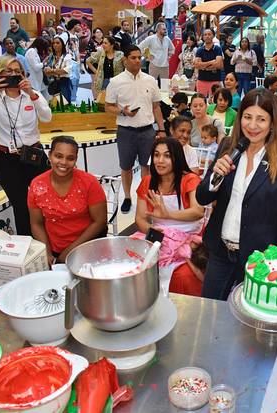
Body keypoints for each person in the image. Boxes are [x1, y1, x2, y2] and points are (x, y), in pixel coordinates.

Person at [196, 89, 277, 300]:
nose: (252, 126)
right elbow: (202, 198)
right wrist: (216, 175)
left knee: (249, 322)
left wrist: (275, 264)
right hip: (220, 251)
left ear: (272, 123)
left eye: (261, 119)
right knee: (211, 310)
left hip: (259, 259)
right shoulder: (228, 147)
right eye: (247, 117)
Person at [0, 56, 51, 236]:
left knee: (45, 198)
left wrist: (32, 93)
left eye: (17, 72)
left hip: (33, 154)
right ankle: (28, 243)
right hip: (5, 158)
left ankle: (50, 238)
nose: (13, 75)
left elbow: (47, 117)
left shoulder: (31, 94)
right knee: (21, 204)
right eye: (8, 72)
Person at [135, 137, 205, 295]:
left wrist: (168, 214)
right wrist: (158, 235)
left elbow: (197, 211)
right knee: (134, 263)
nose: (160, 161)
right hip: (157, 234)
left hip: (190, 235)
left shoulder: (190, 179)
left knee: (183, 276)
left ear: (177, 158)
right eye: (156, 155)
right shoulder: (147, 182)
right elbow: (140, 219)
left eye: (167, 156)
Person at [105, 45, 166, 213]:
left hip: (147, 130)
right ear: (125, 59)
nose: (138, 60)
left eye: (139, 57)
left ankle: (146, 196)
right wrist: (122, 112)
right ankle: (127, 196)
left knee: (147, 166)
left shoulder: (150, 80)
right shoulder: (115, 82)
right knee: (126, 167)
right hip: (126, 131)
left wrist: (161, 130)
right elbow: (108, 107)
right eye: (133, 57)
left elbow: (156, 107)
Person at [28, 136, 107, 264]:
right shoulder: (37, 185)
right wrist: (47, 253)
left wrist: (68, 253)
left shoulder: (89, 183)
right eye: (58, 156)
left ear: (76, 159)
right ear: (49, 155)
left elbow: (100, 222)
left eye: (70, 158)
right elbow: (36, 223)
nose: (64, 162)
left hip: (88, 248)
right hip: (54, 251)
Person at [194, 29, 223, 97]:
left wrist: (203, 66)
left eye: (209, 34)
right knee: (201, 100)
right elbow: (197, 65)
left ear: (213, 36)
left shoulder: (217, 49)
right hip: (202, 80)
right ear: (203, 37)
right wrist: (212, 62)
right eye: (205, 35)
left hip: (215, 80)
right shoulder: (200, 50)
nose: (207, 36)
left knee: (215, 101)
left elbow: (219, 65)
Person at [44, 36, 73, 102]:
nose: (55, 45)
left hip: (64, 82)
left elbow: (66, 71)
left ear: (62, 45)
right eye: (53, 43)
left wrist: (52, 71)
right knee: (55, 104)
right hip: (54, 82)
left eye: (57, 43)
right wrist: (50, 71)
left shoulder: (67, 56)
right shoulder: (51, 57)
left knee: (65, 104)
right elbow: (47, 72)